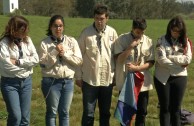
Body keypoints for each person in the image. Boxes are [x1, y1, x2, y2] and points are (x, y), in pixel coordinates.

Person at [75, 5, 118, 126]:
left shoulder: (112, 33)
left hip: (107, 80)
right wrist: (78, 76)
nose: (99, 21)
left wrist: (116, 75)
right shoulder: (86, 33)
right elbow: (78, 56)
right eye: (97, 18)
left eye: (102, 18)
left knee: (105, 113)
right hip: (90, 80)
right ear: (93, 18)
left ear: (107, 18)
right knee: (88, 113)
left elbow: (116, 56)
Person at [39, 15, 82, 126]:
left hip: (68, 82)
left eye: (60, 26)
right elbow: (43, 64)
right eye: (55, 26)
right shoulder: (45, 43)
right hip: (51, 81)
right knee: (52, 112)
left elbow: (78, 60)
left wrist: (65, 55)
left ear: (63, 27)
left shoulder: (71, 41)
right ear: (50, 27)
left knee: (64, 112)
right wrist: (54, 52)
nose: (58, 29)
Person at [114, 17, 155, 126]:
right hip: (126, 82)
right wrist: (130, 47)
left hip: (142, 83)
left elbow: (151, 62)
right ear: (132, 28)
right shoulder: (122, 39)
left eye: (142, 31)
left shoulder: (148, 41)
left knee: (142, 112)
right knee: (126, 113)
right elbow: (119, 60)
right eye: (138, 31)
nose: (140, 34)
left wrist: (137, 69)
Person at [0, 15, 39, 126]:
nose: (25, 33)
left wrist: (18, 62)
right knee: (16, 116)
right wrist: (27, 67)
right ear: (13, 29)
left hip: (26, 82)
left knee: (25, 119)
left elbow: (36, 59)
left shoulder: (28, 40)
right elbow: (7, 66)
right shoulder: (3, 43)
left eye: (26, 30)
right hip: (10, 83)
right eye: (22, 30)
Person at [154, 16, 192, 126]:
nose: (176, 33)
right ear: (169, 28)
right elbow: (161, 60)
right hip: (162, 78)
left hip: (180, 78)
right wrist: (179, 65)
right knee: (165, 108)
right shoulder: (161, 40)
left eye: (178, 31)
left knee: (176, 109)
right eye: (173, 30)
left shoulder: (186, 42)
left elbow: (188, 59)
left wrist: (171, 58)